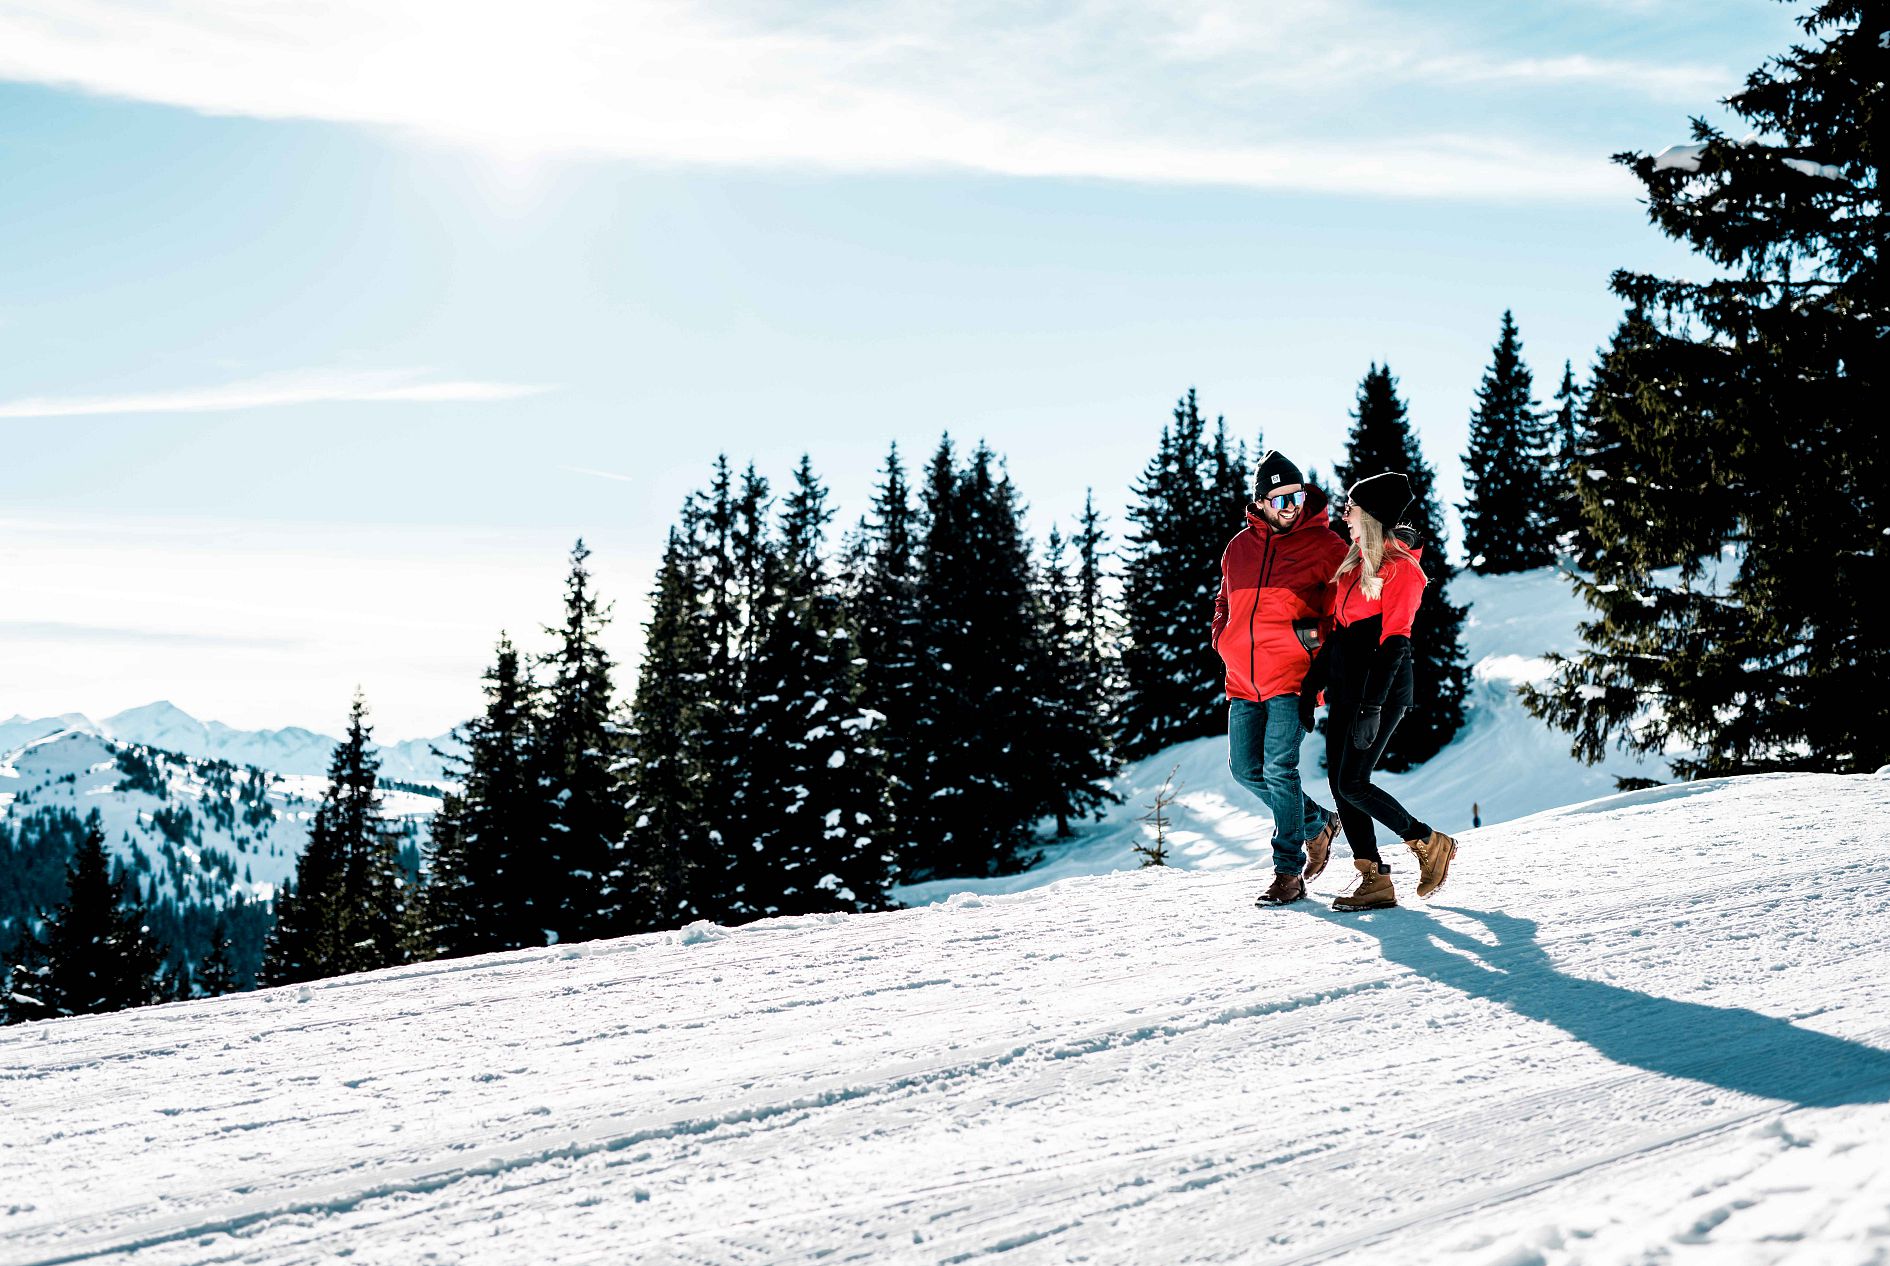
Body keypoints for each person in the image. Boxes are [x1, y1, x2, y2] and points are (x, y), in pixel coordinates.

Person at [1300, 471, 1458, 911]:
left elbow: (1395, 642)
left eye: (1351, 508)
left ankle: (1427, 841)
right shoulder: (1353, 567)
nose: (1344, 514)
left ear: (1369, 515)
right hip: (1348, 688)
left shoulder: (1403, 569)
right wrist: (1312, 685)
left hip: (1381, 692)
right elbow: (1337, 634)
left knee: (1353, 782)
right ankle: (1372, 877)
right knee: (1338, 782)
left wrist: (1372, 706)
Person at [1212, 449, 1349, 906]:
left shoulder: (1326, 546)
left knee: (1278, 769)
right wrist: (1222, 638)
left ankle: (1287, 872)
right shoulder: (1239, 547)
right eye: (1280, 499)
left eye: (1296, 496)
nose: (1291, 507)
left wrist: (1314, 646)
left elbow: (1348, 609)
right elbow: (1224, 601)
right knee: (1244, 770)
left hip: (1292, 678)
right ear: (1261, 502)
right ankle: (1318, 824)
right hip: (1243, 680)